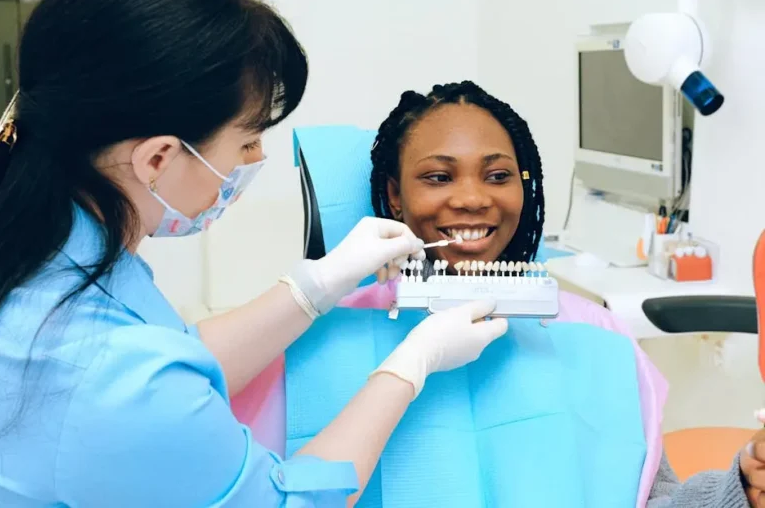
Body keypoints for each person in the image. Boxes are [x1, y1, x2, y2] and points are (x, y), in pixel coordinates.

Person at [0, 0, 510, 507]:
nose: (258, 158)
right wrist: (410, 366)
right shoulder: (108, 373)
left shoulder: (51, 254)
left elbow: (179, 356)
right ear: (158, 157)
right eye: (247, 141)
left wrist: (315, 287)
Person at [233, 81, 763, 507]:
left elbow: (655, 498)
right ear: (394, 195)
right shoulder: (312, 341)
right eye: (439, 177)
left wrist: (737, 484)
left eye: (498, 175)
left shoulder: (594, 335)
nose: (471, 198)